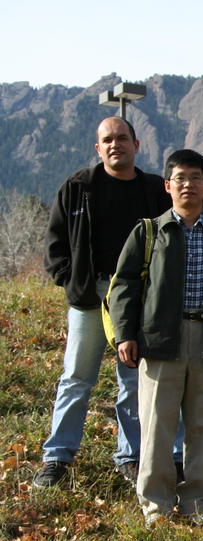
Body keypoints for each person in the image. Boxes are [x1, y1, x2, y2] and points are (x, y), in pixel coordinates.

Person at [38, 116, 179, 488]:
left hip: (140, 298)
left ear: (137, 144)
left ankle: (131, 456)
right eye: (108, 140)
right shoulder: (79, 187)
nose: (116, 144)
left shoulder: (154, 190)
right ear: (98, 148)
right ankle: (57, 457)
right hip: (90, 296)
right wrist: (73, 282)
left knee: (132, 380)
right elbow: (55, 243)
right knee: (76, 378)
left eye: (122, 138)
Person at [111, 150, 203, 526]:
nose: (188, 185)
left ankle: (199, 504)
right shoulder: (149, 231)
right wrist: (126, 333)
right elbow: (124, 285)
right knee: (157, 424)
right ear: (168, 186)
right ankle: (156, 505)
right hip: (161, 340)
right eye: (180, 178)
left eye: (196, 178)